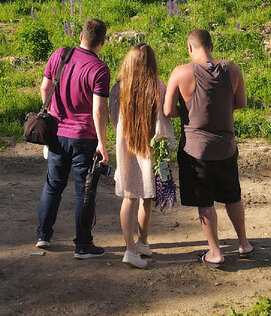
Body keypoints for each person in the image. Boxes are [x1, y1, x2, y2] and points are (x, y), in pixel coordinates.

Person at [163, 28, 253, 268]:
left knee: (206, 202)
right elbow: (241, 103)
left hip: (196, 151)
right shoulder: (231, 68)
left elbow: (168, 110)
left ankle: (215, 252)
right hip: (226, 147)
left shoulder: (181, 73)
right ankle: (243, 243)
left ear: (190, 47)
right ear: (211, 46)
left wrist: (189, 110)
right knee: (232, 196)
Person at [35, 18, 111, 259]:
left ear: (80, 36)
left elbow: (44, 89)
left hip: (57, 132)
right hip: (84, 137)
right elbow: (98, 110)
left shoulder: (60, 55)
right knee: (84, 192)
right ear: (102, 42)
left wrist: (51, 113)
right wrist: (102, 142)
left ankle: (43, 235)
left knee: (53, 185)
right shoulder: (99, 69)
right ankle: (82, 245)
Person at [110, 43, 175, 270]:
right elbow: (165, 120)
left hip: (126, 148)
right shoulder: (158, 87)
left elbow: (114, 120)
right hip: (148, 150)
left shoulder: (118, 88)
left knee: (130, 196)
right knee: (146, 195)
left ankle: (132, 247)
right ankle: (141, 243)